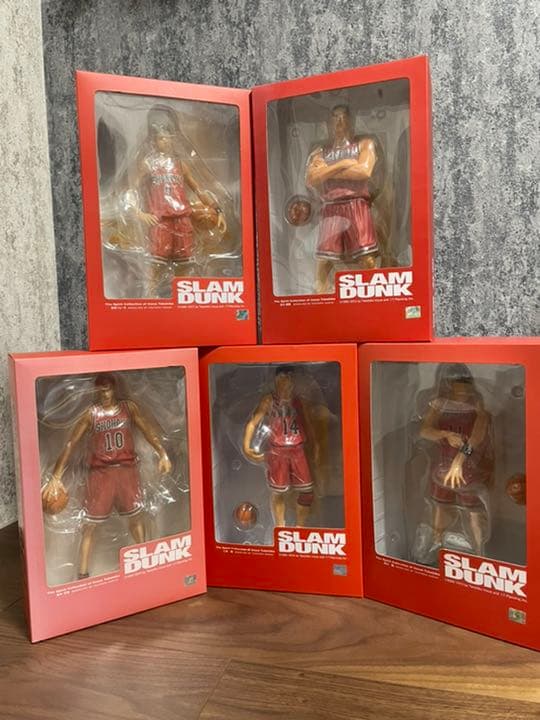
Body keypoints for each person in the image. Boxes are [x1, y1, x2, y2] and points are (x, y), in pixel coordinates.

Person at [41, 373, 171, 579]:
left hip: (127, 471)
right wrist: (56, 476)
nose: (105, 394)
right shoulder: (91, 414)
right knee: (89, 526)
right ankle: (82, 573)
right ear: (96, 392)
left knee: (136, 519)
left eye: (108, 389)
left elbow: (147, 430)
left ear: (114, 388)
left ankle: (144, 561)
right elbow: (71, 443)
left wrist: (162, 453)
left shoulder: (128, 408)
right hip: (100, 474)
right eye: (101, 391)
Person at [135, 106, 226, 291]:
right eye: (161, 138)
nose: (166, 141)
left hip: (182, 220)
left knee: (185, 267)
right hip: (160, 221)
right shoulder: (148, 164)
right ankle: (149, 298)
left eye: (168, 138)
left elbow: (199, 190)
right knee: (155, 267)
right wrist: (138, 213)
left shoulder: (180, 164)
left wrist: (218, 209)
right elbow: (131, 189)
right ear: (154, 141)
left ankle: (181, 300)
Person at [305, 105, 382, 293]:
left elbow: (364, 171)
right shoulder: (320, 151)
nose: (339, 122)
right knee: (324, 260)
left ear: (351, 120)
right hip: (331, 207)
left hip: (357, 205)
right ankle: (319, 297)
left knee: (367, 258)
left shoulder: (365, 143)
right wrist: (344, 163)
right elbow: (311, 178)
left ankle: (375, 295)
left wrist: (327, 171)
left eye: (343, 117)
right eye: (335, 117)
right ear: (329, 122)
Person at [418, 363, 493, 555]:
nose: (462, 392)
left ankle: (479, 551)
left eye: (466, 387)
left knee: (474, 513)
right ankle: (436, 544)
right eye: (457, 387)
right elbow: (425, 431)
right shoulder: (440, 404)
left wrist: (459, 462)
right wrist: (445, 434)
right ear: (449, 385)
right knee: (439, 507)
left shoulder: (478, 408)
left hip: (469, 468)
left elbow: (476, 439)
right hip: (443, 466)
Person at [242, 366, 319, 528]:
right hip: (278, 451)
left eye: (290, 379)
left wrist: (315, 444)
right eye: (284, 378)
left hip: (298, 450)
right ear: (277, 381)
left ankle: (300, 527)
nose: (288, 382)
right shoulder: (269, 400)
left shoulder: (299, 401)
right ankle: (280, 527)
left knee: (307, 492)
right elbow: (253, 423)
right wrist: (247, 446)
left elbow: (308, 424)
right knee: (278, 492)